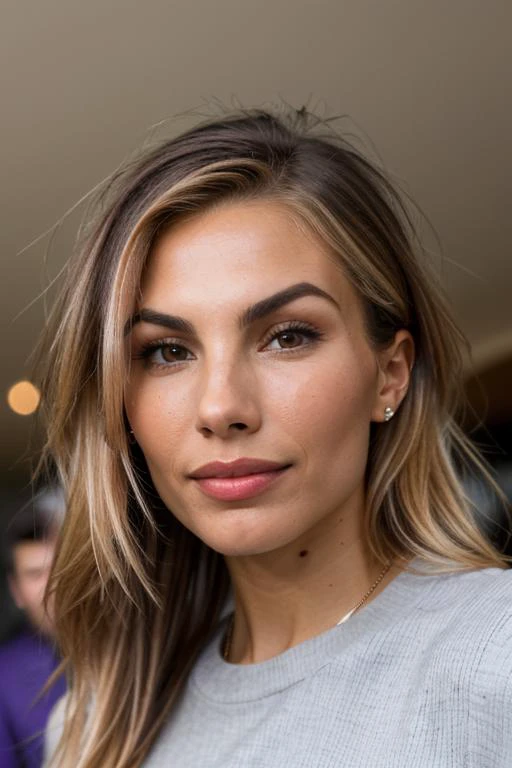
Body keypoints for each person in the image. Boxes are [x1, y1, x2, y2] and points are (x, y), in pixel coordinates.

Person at [40, 109, 512, 768]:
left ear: (389, 374)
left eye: (288, 336)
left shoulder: (495, 661)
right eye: (168, 351)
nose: (221, 406)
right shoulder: (92, 728)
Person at [0, 488, 66, 768]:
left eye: (61, 566)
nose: (52, 585)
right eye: (35, 574)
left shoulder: (138, 648)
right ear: (16, 591)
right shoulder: (5, 678)